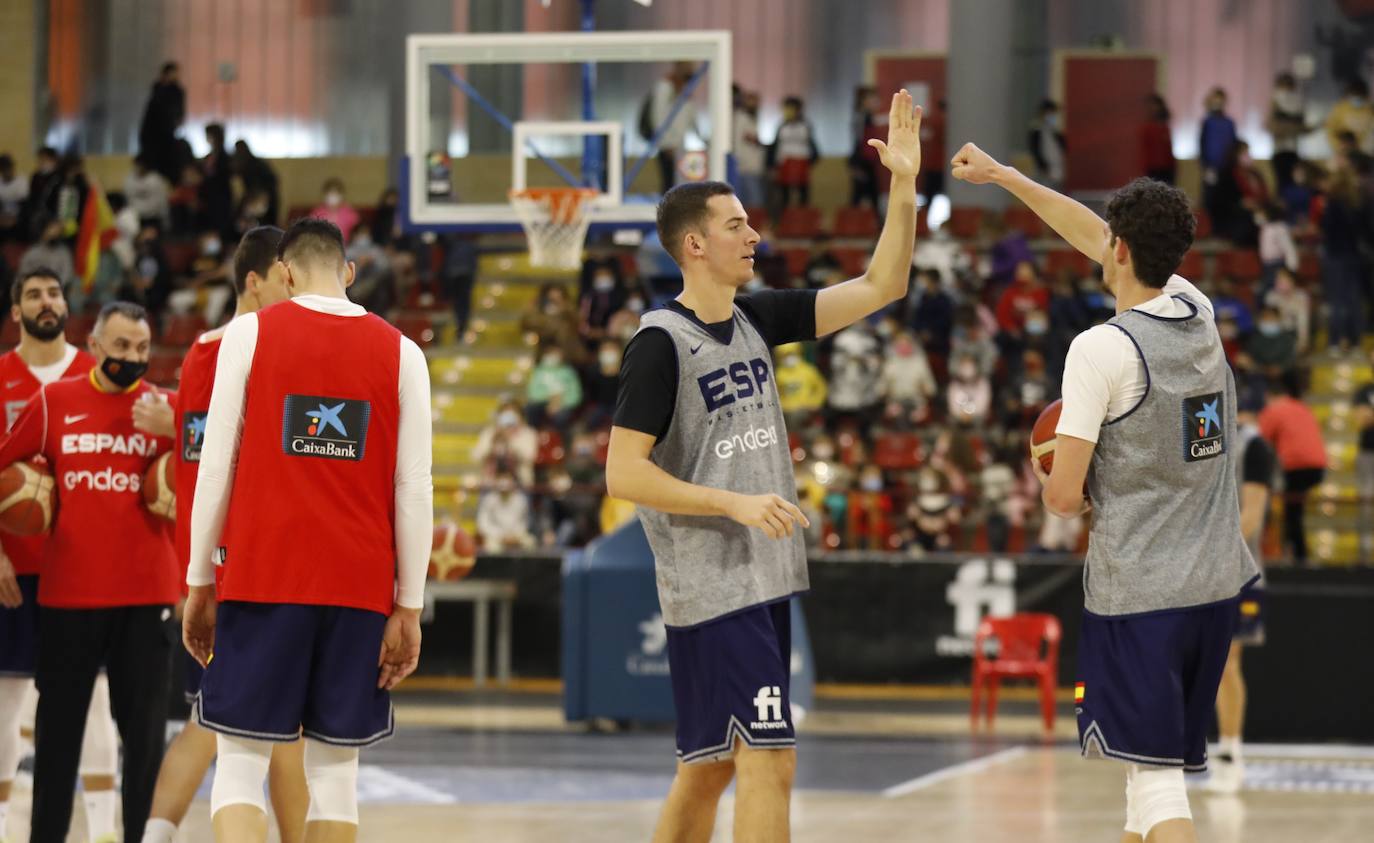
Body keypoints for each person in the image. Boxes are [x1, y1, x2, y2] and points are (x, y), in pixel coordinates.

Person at [604, 90, 921, 843]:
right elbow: (623, 473)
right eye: (735, 224)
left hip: (761, 577)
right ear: (695, 246)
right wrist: (734, 503)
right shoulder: (658, 343)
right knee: (770, 761)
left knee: (708, 768)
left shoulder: (757, 319)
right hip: (715, 583)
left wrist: (904, 186)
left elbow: (884, 285)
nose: (754, 233)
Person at [951, 145, 1257, 843]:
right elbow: (1091, 232)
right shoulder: (1197, 307)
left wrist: (1047, 470)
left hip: (1143, 595)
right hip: (1213, 584)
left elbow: (1063, 500)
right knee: (1138, 783)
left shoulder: (1100, 349)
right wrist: (1006, 178)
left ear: (1117, 251)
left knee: (1156, 785)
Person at [182, 219, 433, 841]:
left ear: (285, 274)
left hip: (262, 575)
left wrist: (197, 580)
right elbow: (414, 489)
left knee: (239, 767)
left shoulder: (248, 333)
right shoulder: (404, 352)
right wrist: (409, 603)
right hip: (358, 586)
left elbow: (216, 468)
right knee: (336, 776)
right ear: (348, 273)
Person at [140, 227, 309, 843]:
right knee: (240, 731)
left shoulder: (201, 353)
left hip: (221, 565)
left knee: (232, 726)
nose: (294, 292)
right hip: (246, 568)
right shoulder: (244, 349)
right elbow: (216, 467)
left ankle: (155, 834)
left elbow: (196, 456)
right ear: (256, 280)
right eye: (286, 279)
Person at [0, 300, 180, 842]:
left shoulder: (169, 408)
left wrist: (179, 429)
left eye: (143, 348)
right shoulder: (55, 402)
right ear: (95, 346)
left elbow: (224, 477)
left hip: (148, 596)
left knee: (145, 743)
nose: (133, 357)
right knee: (56, 743)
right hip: (69, 598)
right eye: (122, 346)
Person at [0, 269, 122, 843]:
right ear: (15, 310)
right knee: (6, 702)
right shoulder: (0, 377)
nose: (47, 303)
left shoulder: (97, 376)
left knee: (96, 703)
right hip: (14, 571)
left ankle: (103, 833)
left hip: (83, 570)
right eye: (33, 295)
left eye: (54, 293)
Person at [1205, 397, 1275, 794]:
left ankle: (1231, 749)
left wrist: (1211, 551)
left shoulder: (1255, 447)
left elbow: (1252, 515)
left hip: (1239, 571)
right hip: (1200, 569)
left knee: (1227, 660)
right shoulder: (1202, 441)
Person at [1258, 374, 1326, 565]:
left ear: (1269, 396)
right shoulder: (1301, 407)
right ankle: (1297, 555)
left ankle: (1296, 557)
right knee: (1293, 511)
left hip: (1296, 466)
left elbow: (1259, 440)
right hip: (1317, 466)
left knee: (1291, 513)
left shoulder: (1274, 409)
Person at [647, 62, 700, 193]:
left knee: (679, 185)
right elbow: (658, 117)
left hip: (679, 147)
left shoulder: (685, 95)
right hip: (668, 147)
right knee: (669, 185)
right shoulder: (665, 87)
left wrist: (704, 140)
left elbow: (691, 119)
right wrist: (665, 143)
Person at [138, 62, 186, 184]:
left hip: (166, 135)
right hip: (155, 136)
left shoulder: (176, 92)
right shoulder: (158, 90)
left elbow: (179, 113)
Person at [769, 96, 821, 208]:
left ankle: (802, 220)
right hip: (785, 162)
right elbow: (776, 146)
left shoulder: (805, 125)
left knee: (803, 193)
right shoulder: (781, 126)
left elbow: (813, 145)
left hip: (801, 161)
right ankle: (784, 221)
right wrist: (773, 165)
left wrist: (812, 161)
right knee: (784, 194)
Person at [1200, 87, 1238, 224]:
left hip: (1227, 167)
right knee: (1211, 199)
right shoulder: (1207, 122)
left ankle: (1223, 228)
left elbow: (1234, 145)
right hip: (1211, 167)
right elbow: (1202, 145)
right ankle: (1212, 227)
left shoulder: (1230, 123)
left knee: (1226, 198)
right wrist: (1205, 166)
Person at [1267, 73, 1308, 189]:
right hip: (1279, 150)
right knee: (1281, 184)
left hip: (1293, 150)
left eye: (1289, 86)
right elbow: (1270, 125)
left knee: (1294, 183)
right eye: (1283, 86)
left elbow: (1302, 126)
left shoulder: (1297, 103)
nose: (1286, 90)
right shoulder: (1274, 101)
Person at [733, 89, 767, 208]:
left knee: (752, 202)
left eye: (756, 101)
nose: (754, 104)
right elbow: (742, 140)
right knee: (753, 202)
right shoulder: (741, 118)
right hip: (745, 167)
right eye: (751, 101)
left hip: (753, 168)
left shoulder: (752, 118)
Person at [1324, 78, 1373, 157]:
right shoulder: (1341, 109)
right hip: (1343, 150)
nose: (1357, 100)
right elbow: (1330, 129)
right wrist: (1339, 145)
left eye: (1360, 97)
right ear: (1348, 96)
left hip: (1364, 151)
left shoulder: (1370, 109)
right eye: (1355, 96)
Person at [1028, 99, 1067, 188]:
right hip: (1043, 171)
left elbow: (1063, 148)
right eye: (1050, 113)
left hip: (1057, 168)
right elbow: (1035, 151)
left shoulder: (1055, 132)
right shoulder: (1036, 131)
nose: (1053, 116)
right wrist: (1043, 166)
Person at [309, 178, 362, 242]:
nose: (333, 200)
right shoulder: (317, 213)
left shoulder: (349, 212)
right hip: (323, 247)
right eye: (329, 196)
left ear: (342, 196)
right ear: (324, 197)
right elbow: (310, 232)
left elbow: (359, 229)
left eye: (336, 196)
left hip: (346, 246)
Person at [1356, 376, 1374, 560]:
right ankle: (1365, 556)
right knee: (1366, 504)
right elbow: (1362, 419)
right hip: (1368, 454)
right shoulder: (1365, 390)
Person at [1140, 94, 1176, 184]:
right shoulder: (1147, 128)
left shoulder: (1165, 127)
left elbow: (1168, 149)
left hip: (1167, 168)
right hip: (1152, 168)